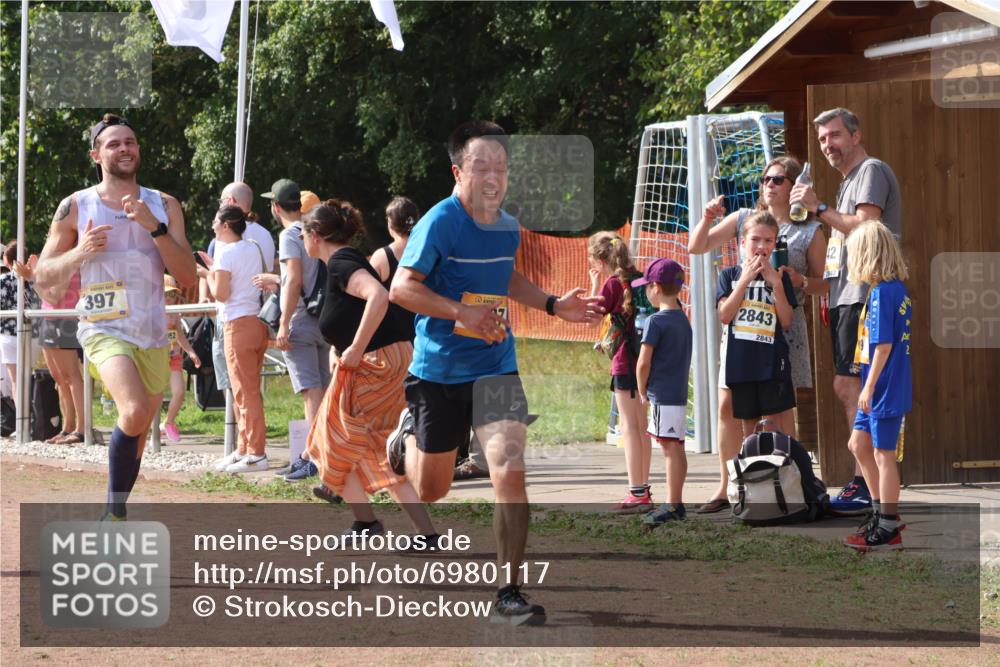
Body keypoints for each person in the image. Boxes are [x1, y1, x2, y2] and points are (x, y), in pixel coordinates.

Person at [387, 120, 603, 626]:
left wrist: (552, 304)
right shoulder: (439, 222)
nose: (493, 176)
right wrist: (462, 313)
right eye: (481, 166)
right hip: (438, 371)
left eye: (502, 167)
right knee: (433, 488)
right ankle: (407, 439)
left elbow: (504, 274)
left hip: (495, 366)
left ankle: (509, 591)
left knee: (509, 471)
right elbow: (401, 288)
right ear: (458, 171)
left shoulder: (505, 224)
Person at [33, 113, 197, 520]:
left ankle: (114, 512)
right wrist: (81, 251)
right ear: (96, 154)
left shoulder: (165, 204)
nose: (125, 149)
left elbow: (188, 276)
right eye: (114, 144)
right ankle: (114, 513)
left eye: (130, 142)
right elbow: (44, 275)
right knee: (135, 411)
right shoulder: (75, 205)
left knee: (137, 432)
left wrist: (154, 227)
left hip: (153, 330)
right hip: (102, 327)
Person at [689, 156, 827, 513]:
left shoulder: (808, 229)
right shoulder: (743, 220)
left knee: (782, 411)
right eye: (765, 178)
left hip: (783, 329)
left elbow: (825, 283)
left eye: (778, 179)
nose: (769, 184)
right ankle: (729, 486)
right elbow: (697, 247)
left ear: (794, 184)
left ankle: (792, 488)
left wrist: (799, 282)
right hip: (741, 331)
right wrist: (707, 217)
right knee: (727, 405)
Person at [301, 199, 438, 541]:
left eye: (303, 233)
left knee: (340, 439)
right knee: (344, 441)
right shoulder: (340, 263)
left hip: (378, 362)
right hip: (380, 359)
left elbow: (378, 295)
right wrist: (342, 348)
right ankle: (380, 524)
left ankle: (373, 522)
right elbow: (351, 312)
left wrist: (355, 349)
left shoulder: (341, 262)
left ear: (315, 235)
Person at [790, 107, 902, 516]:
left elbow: (867, 226)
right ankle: (867, 480)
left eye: (834, 136)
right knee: (846, 385)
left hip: (864, 294)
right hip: (843, 295)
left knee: (850, 385)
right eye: (822, 140)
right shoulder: (844, 183)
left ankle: (865, 480)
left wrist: (818, 208)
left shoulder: (870, 170)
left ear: (855, 135)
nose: (828, 146)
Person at [254, 180, 331, 481]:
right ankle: (321, 454)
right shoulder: (315, 230)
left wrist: (283, 323)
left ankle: (313, 457)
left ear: (275, 206)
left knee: (311, 391)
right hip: (323, 318)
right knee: (322, 391)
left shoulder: (289, 234)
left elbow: (294, 280)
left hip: (300, 318)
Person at [841, 221, 911, 551]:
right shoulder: (888, 289)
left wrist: (867, 388)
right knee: (859, 445)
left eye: (854, 254)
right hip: (880, 383)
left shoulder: (885, 292)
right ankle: (880, 512)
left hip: (883, 386)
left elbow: (882, 346)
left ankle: (888, 525)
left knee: (884, 455)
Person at [198, 205, 269, 473]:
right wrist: (214, 268)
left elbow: (221, 293)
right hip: (256, 322)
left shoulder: (226, 251)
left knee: (244, 392)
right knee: (245, 390)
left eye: (215, 220)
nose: (212, 225)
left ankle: (256, 453)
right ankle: (244, 448)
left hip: (237, 325)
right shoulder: (251, 246)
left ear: (226, 225)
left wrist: (206, 274)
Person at [588, 231, 653, 513]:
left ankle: (636, 492)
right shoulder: (641, 278)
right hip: (648, 360)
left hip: (626, 362)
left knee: (629, 428)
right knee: (643, 428)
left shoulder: (612, 285)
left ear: (601, 260)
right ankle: (644, 488)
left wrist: (594, 285)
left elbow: (591, 321)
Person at [716, 212, 797, 435]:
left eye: (768, 240)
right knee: (749, 428)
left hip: (771, 363)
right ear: (743, 242)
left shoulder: (780, 277)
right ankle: (753, 469)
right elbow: (724, 315)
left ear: (774, 244)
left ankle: (780, 468)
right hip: (741, 364)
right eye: (755, 239)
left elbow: (787, 321)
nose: (761, 246)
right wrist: (744, 281)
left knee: (774, 425)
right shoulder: (729, 274)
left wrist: (777, 285)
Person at [200, 182, 275, 417]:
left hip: (233, 318)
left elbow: (222, 292)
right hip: (259, 316)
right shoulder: (262, 237)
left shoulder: (224, 245)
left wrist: (206, 273)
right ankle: (247, 444)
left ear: (230, 204)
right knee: (250, 388)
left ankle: (241, 443)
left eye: (221, 202)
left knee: (238, 388)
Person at [633, 258, 692, 526]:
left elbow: (644, 361)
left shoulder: (655, 321)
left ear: (656, 287)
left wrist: (641, 388)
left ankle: (673, 503)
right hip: (677, 394)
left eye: (646, 286)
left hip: (662, 395)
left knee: (669, 449)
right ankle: (676, 502)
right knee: (676, 447)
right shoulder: (683, 319)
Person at [11, 254, 85, 444]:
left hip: (65, 319)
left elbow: (54, 296)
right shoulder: (55, 262)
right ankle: (68, 427)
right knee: (60, 379)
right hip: (49, 318)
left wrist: (32, 278)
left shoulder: (69, 262)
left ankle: (81, 428)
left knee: (71, 377)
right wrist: (34, 274)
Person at [0, 242, 41, 409]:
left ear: (8, 261)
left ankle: (21, 421)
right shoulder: (34, 279)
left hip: (9, 335)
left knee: (16, 381)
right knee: (27, 378)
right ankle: (31, 421)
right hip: (32, 334)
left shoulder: (3, 280)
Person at [161, 275, 200, 442]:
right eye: (165, 295)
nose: (169, 298)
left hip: (173, 357)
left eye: (172, 295)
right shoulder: (152, 310)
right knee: (154, 394)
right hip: (156, 356)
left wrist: (190, 352)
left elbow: (180, 335)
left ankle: (168, 422)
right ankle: (152, 428)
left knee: (179, 392)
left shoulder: (175, 313)